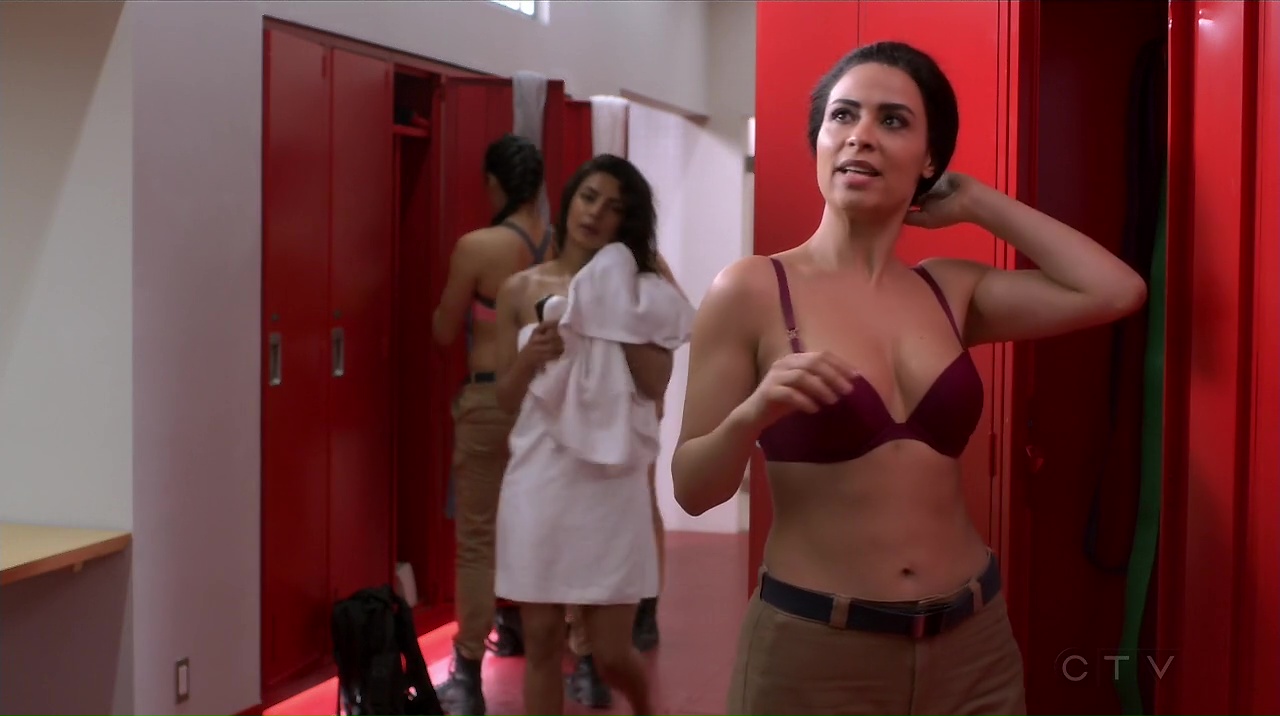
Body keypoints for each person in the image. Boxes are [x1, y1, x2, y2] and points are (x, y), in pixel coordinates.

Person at [671, 41, 1148, 716]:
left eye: (892, 120)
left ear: (929, 159)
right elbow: (693, 490)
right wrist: (753, 413)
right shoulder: (751, 289)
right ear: (819, 141)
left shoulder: (949, 291)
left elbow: (1116, 291)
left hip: (973, 647)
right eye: (842, 116)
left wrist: (977, 200)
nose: (860, 135)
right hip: (815, 653)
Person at [492, 154, 692, 716]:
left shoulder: (644, 288)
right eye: (589, 197)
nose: (596, 213)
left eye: (614, 208)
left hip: (610, 481)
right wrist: (529, 357)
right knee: (540, 642)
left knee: (610, 653)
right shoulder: (520, 289)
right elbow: (504, 398)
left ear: (627, 222)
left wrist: (613, 316)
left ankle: (648, 707)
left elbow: (654, 384)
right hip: (539, 475)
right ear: (568, 199)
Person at [431, 133, 555, 716]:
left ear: (494, 184)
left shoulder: (477, 248)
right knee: (544, 531)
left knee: (478, 539)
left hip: (487, 402)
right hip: (547, 407)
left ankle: (467, 671)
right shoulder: (561, 248)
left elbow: (443, 328)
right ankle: (560, 649)